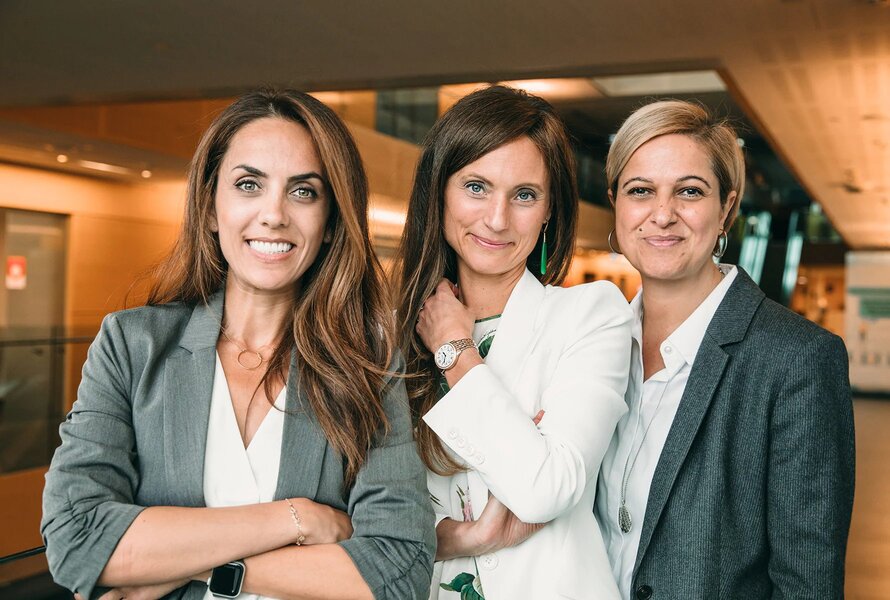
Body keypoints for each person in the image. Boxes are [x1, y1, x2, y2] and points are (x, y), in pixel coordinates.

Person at [41, 89, 435, 600]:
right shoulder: (131, 345)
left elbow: (400, 568)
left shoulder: (369, 363)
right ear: (210, 207)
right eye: (249, 184)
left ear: (333, 223)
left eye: (303, 192)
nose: (273, 215)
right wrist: (299, 519)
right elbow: (76, 537)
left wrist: (189, 566)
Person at [594, 99, 855, 599]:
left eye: (689, 191)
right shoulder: (592, 342)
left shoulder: (796, 360)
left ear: (727, 208)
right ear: (616, 203)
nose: (662, 215)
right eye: (640, 191)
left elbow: (808, 585)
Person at [395, 85, 632, 599]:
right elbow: (365, 524)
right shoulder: (386, 333)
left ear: (550, 210)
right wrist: (460, 538)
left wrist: (454, 349)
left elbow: (545, 487)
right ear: (439, 191)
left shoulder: (590, 317)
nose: (498, 219)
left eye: (524, 195)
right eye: (476, 187)